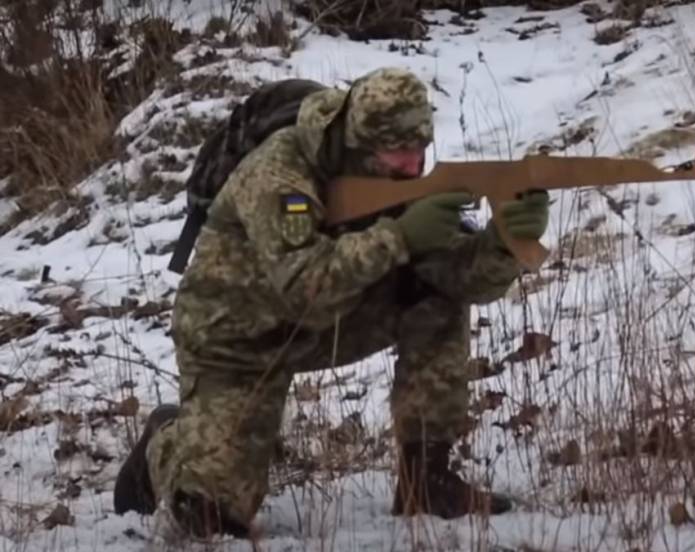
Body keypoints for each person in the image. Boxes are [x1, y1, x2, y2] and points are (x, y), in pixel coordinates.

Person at [113, 66, 549, 538]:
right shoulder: (278, 173)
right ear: (356, 145)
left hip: (326, 321)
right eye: (399, 152)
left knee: (435, 296)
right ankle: (164, 443)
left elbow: (462, 281)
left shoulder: (392, 175)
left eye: (420, 149)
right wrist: (399, 236)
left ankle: (427, 479)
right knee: (212, 512)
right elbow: (304, 289)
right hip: (233, 342)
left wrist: (505, 242)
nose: (412, 164)